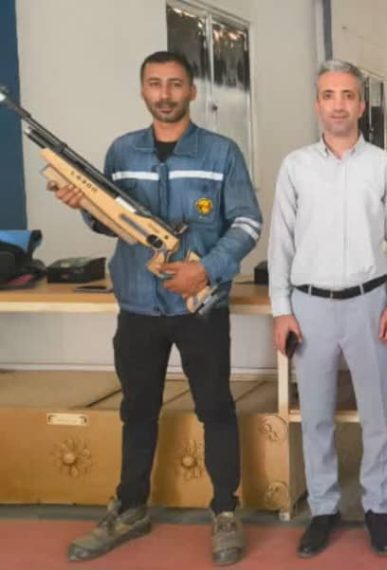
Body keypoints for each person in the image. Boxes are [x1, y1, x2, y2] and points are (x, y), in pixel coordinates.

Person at [51, 51, 261, 566]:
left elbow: (247, 223)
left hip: (199, 307)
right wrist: (86, 208)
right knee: (137, 410)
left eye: (174, 84)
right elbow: (109, 221)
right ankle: (129, 508)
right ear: (142, 90)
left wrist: (204, 269)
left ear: (191, 91)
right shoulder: (122, 152)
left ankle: (224, 510)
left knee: (215, 408)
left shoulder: (221, 153)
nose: (164, 94)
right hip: (138, 307)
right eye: (154, 84)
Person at [268, 59, 387, 558]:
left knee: (376, 415)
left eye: (347, 95)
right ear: (317, 104)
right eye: (329, 95)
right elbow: (280, 243)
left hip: (370, 304)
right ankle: (324, 508)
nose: (338, 105)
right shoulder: (296, 167)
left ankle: (377, 507)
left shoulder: (382, 166)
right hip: (310, 307)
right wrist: (281, 309)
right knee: (316, 416)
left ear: (361, 105)